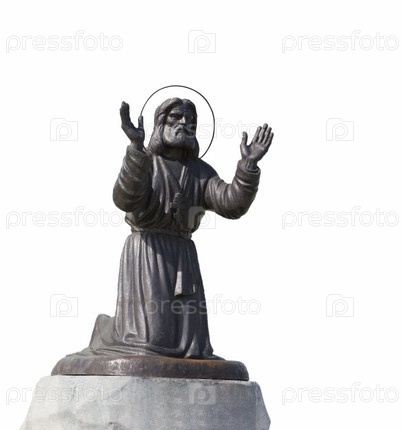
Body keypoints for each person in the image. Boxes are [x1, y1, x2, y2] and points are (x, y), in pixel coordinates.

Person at [62, 98, 273, 363]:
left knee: (189, 345)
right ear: (160, 123)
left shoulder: (201, 172)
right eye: (176, 117)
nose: (184, 123)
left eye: (191, 120)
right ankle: (114, 332)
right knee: (152, 338)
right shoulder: (146, 162)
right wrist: (135, 148)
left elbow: (232, 204)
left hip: (183, 255)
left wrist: (248, 165)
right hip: (149, 251)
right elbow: (124, 199)